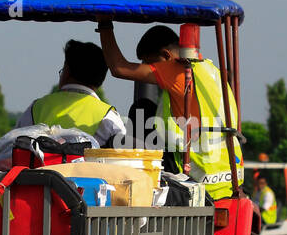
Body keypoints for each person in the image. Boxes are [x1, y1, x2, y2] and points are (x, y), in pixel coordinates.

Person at [98, 21, 243, 200]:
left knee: (132, 120)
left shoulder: (179, 70)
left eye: (150, 65)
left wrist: (104, 24)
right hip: (228, 177)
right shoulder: (212, 71)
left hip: (196, 176)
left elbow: (118, 68)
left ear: (166, 55)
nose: (150, 73)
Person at [18, 40, 128, 146]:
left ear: (67, 71)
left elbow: (12, 146)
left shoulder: (36, 108)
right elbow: (123, 155)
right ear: (101, 79)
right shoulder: (108, 116)